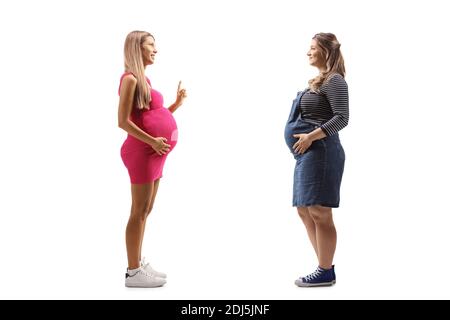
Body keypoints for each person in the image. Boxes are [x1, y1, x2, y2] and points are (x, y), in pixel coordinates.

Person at [117, 30, 187, 288]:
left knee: (146, 210)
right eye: (151, 45)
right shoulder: (130, 80)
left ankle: (138, 262)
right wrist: (153, 141)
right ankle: (133, 271)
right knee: (138, 212)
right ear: (137, 48)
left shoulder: (143, 79)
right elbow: (122, 122)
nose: (155, 50)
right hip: (141, 153)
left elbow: (150, 116)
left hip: (154, 153)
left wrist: (175, 106)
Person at [284, 33, 349, 287]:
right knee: (305, 210)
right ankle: (324, 265)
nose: (308, 52)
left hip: (322, 152)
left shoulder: (335, 81)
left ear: (326, 50)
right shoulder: (318, 81)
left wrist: (310, 136)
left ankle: (325, 270)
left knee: (320, 212)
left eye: (313, 48)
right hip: (308, 155)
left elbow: (342, 118)